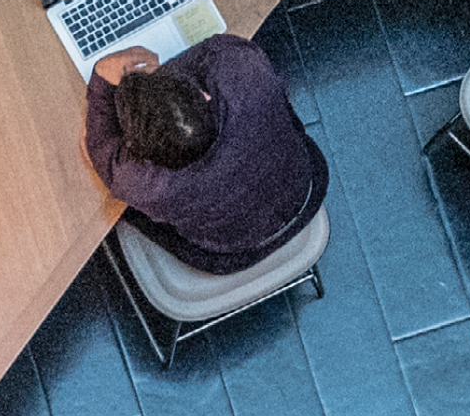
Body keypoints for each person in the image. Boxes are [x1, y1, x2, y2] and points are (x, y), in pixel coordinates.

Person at [86, 33, 328, 274]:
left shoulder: (141, 181)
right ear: (205, 95)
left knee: (124, 207)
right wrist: (163, 82)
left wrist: (101, 78)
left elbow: (99, 147)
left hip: (232, 251)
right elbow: (219, 47)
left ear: (141, 152)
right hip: (306, 193)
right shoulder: (245, 71)